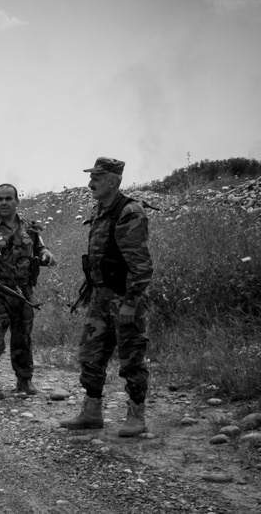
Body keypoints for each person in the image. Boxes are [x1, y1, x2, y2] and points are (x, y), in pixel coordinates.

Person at [60, 158, 153, 437]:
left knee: (131, 358)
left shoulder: (129, 212)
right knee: (90, 355)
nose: (90, 184)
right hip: (100, 297)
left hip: (125, 299)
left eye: (96, 179)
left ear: (113, 181)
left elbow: (141, 264)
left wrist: (130, 301)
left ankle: (136, 415)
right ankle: (91, 412)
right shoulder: (101, 210)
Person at [0, 184, 56, 400]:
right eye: (0, 199)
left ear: (17, 201)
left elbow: (40, 248)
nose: (4, 203)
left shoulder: (29, 227)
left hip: (24, 293)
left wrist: (46, 255)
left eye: (9, 198)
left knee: (23, 339)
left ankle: (24, 380)